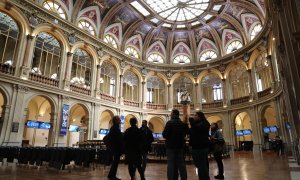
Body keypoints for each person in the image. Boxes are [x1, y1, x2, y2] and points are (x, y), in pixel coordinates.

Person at [162, 109, 189, 180]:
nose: (170, 115)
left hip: (170, 147)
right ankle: (184, 178)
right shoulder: (182, 123)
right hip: (180, 146)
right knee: (181, 164)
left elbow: (164, 135)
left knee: (171, 164)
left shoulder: (169, 123)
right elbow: (187, 132)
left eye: (171, 113)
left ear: (174, 114)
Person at [189, 111, 211, 180]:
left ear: (200, 116)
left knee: (202, 166)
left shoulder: (205, 123)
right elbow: (191, 131)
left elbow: (197, 129)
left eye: (195, 115)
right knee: (199, 165)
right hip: (195, 147)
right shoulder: (196, 124)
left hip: (201, 147)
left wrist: (191, 121)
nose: (194, 116)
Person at [107, 116, 124, 180]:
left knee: (115, 162)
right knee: (115, 162)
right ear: (116, 121)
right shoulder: (115, 128)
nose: (120, 121)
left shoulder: (114, 128)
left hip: (115, 147)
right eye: (119, 120)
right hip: (116, 148)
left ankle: (111, 175)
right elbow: (118, 139)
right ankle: (112, 176)